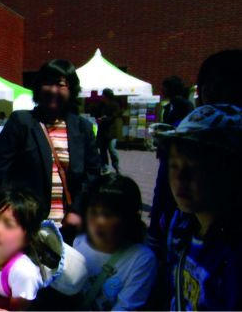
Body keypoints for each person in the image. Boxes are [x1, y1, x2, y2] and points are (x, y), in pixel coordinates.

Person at [0, 59, 100, 242]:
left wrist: (77, 210)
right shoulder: (21, 122)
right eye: (47, 83)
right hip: (27, 226)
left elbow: (93, 175)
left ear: (71, 90)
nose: (53, 90)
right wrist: (7, 214)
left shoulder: (83, 128)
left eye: (60, 84)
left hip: (69, 227)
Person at [160, 104, 241, 311]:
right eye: (174, 165)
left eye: (195, 167)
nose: (180, 178)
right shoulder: (180, 224)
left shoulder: (232, 253)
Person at [73, 175, 157, 310]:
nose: (99, 221)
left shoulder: (142, 259)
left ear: (128, 218)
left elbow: (125, 307)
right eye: (93, 212)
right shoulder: (78, 243)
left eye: (108, 214)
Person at [95, 88, 122, 174]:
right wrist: (98, 118)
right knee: (102, 151)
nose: (101, 96)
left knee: (112, 150)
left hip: (111, 132)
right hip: (102, 132)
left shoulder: (114, 105)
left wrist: (103, 119)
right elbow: (96, 114)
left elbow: (114, 116)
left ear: (107, 96)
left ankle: (116, 166)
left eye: (103, 95)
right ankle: (105, 167)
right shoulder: (100, 105)